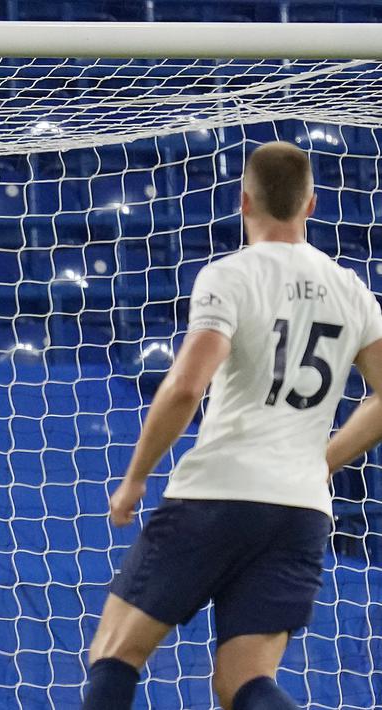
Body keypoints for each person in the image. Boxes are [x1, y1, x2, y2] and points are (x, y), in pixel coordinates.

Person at [81, 141, 382, 710]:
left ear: (243, 199)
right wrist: (321, 462)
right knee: (243, 683)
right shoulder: (353, 291)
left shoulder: (231, 277)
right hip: (299, 512)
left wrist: (136, 477)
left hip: (216, 494)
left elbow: (187, 386)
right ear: (311, 204)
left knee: (115, 652)